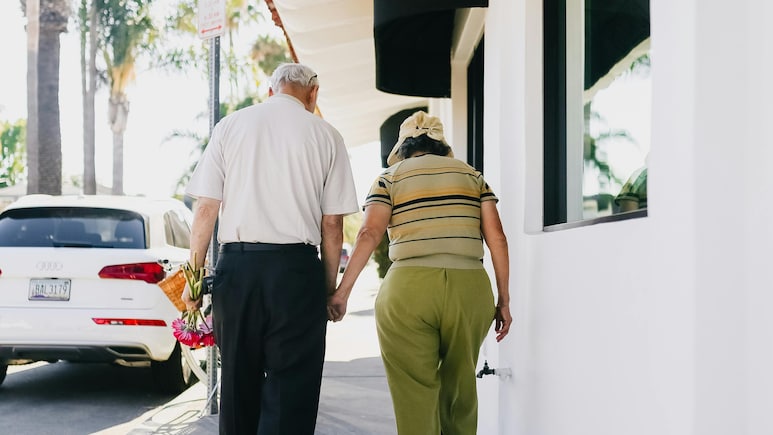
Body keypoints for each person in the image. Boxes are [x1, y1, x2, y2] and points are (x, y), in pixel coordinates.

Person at [183, 63, 359, 435]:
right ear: (313, 94)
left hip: (237, 271)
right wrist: (327, 289)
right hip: (297, 273)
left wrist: (193, 280)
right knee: (292, 387)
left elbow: (205, 210)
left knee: (236, 381)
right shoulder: (327, 135)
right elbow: (332, 224)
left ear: (270, 92)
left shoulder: (230, 127)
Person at [328, 111, 512, 435]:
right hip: (469, 288)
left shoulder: (390, 177)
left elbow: (369, 234)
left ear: (404, 145)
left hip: (407, 291)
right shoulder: (472, 177)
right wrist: (503, 300)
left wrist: (342, 293)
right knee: (461, 388)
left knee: (414, 393)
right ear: (440, 145)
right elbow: (496, 237)